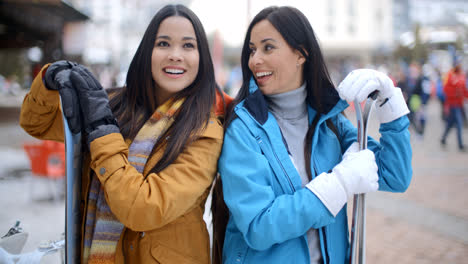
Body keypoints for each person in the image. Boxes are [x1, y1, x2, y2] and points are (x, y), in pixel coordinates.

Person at [20, 4, 231, 263]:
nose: (175, 55)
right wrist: (49, 79)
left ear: (202, 58)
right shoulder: (111, 105)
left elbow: (143, 209)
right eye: (163, 43)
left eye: (188, 46)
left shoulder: (205, 131)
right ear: (146, 52)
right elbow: (36, 124)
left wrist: (102, 133)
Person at [212, 6, 412, 264]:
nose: (254, 60)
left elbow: (394, 175)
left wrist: (389, 100)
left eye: (268, 47)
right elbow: (258, 226)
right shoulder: (244, 128)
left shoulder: (329, 123)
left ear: (301, 53)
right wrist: (338, 184)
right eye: (252, 50)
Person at [441, 61, 468, 151]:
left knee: (450, 123)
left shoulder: (462, 76)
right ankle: (460, 145)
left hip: (459, 104)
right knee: (459, 123)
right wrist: (455, 93)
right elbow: (445, 89)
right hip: (453, 104)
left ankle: (443, 139)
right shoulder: (449, 75)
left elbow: (464, 89)